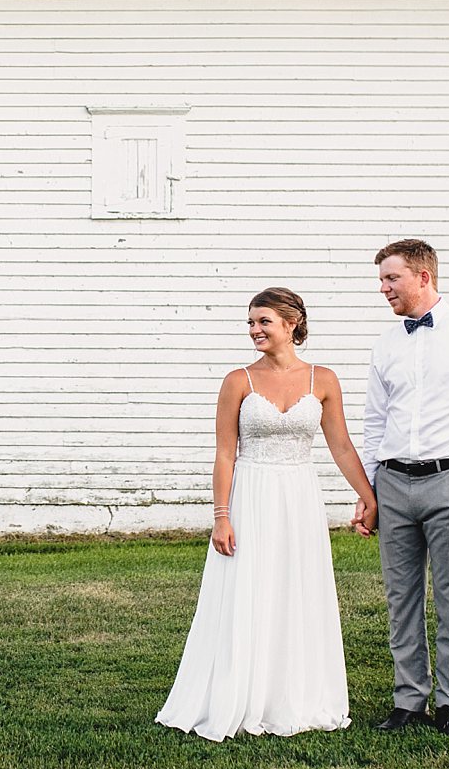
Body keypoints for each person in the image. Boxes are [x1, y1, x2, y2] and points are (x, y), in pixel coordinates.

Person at [157, 287, 378, 741]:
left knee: (297, 587)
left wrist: (368, 496)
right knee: (248, 589)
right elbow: (224, 454)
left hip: (299, 495)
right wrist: (222, 515)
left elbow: (340, 446)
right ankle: (241, 694)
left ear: (292, 322)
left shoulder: (325, 379)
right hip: (251, 493)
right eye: (251, 324)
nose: (255, 331)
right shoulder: (239, 380)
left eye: (264, 322)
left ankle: (295, 694)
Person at [356, 239, 449, 739]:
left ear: (423, 277)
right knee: (401, 598)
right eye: (381, 280)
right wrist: (375, 488)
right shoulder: (385, 344)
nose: (383, 289)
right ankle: (408, 699)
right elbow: (375, 421)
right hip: (395, 483)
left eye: (391, 279)